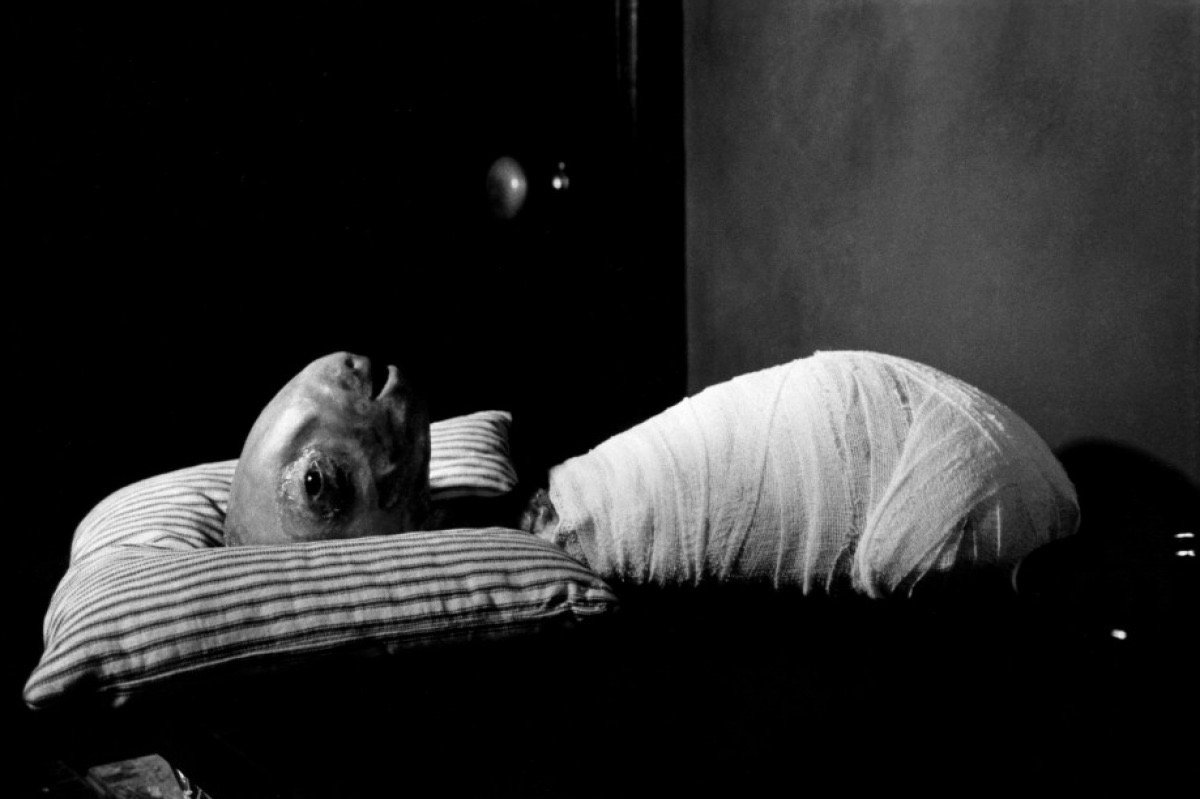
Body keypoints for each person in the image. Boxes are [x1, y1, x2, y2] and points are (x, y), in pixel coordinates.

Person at [226, 350, 1080, 597]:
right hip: (944, 483)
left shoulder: (561, 506)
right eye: (319, 483)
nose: (340, 370)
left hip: (948, 457)